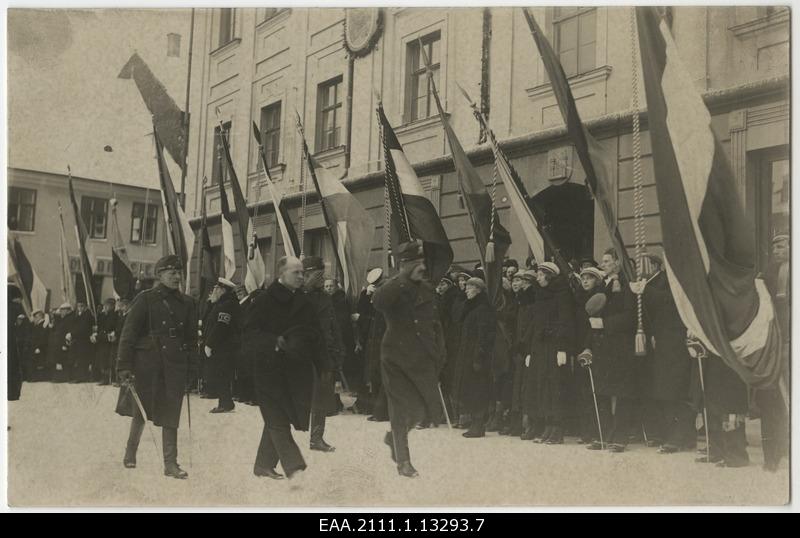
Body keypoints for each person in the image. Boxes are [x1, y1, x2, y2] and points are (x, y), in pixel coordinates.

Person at [115, 255, 198, 479]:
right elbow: (129, 334)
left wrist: (192, 369)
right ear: (159, 275)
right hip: (148, 365)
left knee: (171, 413)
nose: (176, 276)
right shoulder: (146, 299)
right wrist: (124, 366)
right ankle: (130, 452)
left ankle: (170, 464)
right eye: (171, 272)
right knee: (142, 411)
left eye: (179, 272)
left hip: (175, 365)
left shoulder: (188, 303)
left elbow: (191, 340)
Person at [372, 240, 446, 478]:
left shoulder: (427, 289)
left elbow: (434, 324)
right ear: (403, 264)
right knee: (400, 409)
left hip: (422, 357)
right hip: (396, 357)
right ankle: (403, 461)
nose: (421, 267)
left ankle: (393, 438)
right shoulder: (392, 287)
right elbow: (378, 302)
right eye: (415, 263)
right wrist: (401, 278)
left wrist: (438, 352)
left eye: (422, 262)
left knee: (420, 411)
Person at [250, 256, 321, 481]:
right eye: (296, 273)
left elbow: (315, 335)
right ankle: (295, 467)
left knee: (279, 416)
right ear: (281, 274)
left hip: (294, 371)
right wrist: (273, 341)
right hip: (267, 369)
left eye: (302, 273)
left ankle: (263, 465)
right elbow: (248, 333)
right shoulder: (263, 300)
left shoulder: (304, 302)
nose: (302, 276)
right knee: (277, 419)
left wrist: (325, 363)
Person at [636, 253, 695, 454]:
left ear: (655, 265)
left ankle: (679, 437)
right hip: (661, 342)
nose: (640, 268)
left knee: (676, 390)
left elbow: (672, 302)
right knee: (665, 391)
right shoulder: (652, 283)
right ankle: (678, 435)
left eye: (644, 264)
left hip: (675, 343)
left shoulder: (670, 281)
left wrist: (647, 291)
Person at [587, 248, 638, 453]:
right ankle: (603, 433)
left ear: (617, 263)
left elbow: (630, 316)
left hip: (620, 347)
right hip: (604, 347)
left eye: (607, 261)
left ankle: (620, 436)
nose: (603, 264)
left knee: (622, 392)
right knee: (602, 391)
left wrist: (605, 324)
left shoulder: (627, 286)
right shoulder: (603, 285)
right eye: (603, 261)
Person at [529, 262, 575, 444]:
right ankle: (548, 424)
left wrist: (562, 347)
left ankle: (557, 427)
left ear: (549, 276)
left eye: (540, 274)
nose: (538, 277)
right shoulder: (540, 295)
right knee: (543, 385)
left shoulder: (562, 295)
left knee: (556, 386)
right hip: (541, 347)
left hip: (555, 346)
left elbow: (566, 321)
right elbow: (536, 324)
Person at [303, 257, 343, 452]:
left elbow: (333, 326)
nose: (321, 278)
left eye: (322, 274)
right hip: (303, 355)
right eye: (317, 274)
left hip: (323, 355)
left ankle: (316, 438)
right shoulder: (298, 297)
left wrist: (338, 349)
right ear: (306, 275)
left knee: (321, 397)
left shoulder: (325, 298)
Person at [757, 233, 790, 471]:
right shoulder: (767, 275)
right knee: (770, 399)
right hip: (772, 345)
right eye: (776, 246)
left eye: (784, 245)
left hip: (790, 343)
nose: (779, 250)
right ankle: (772, 456)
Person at [453, 277, 496, 438]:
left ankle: (478, 424)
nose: (466, 290)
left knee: (478, 389)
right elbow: (456, 316)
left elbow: (485, 335)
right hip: (468, 355)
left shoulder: (483, 309)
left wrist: (479, 356)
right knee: (471, 389)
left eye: (469, 288)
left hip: (477, 357)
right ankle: (475, 423)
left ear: (478, 290)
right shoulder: (471, 307)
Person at [204, 277, 241, 413]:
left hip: (224, 347)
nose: (214, 291)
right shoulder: (224, 303)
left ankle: (225, 403)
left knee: (221, 374)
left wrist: (209, 344)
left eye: (216, 289)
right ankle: (226, 402)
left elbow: (221, 326)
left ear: (222, 290)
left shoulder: (226, 305)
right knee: (221, 374)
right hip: (223, 346)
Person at [67, 301, 95, 383]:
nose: (79, 308)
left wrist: (72, 334)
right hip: (80, 340)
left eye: (80, 306)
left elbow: (83, 328)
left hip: (84, 340)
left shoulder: (87, 315)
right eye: (78, 306)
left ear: (84, 306)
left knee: (83, 359)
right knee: (80, 359)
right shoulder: (81, 315)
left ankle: (82, 377)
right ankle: (80, 376)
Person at [94, 298, 118, 385]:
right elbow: (100, 326)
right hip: (102, 339)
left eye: (108, 305)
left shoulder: (114, 315)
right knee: (102, 359)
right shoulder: (102, 315)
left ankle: (110, 378)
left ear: (112, 306)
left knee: (109, 359)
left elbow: (113, 326)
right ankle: (104, 377)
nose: (106, 307)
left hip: (109, 340)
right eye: (106, 305)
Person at [8, 285, 25, 401]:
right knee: (13, 367)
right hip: (11, 341)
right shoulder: (16, 308)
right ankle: (13, 394)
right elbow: (21, 326)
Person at [27, 310, 49, 382]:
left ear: (40, 316)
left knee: (38, 363)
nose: (34, 319)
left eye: (35, 317)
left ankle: (36, 378)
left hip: (40, 348)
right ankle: (33, 377)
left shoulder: (43, 325)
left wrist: (39, 347)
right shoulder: (37, 325)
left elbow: (43, 337)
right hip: (36, 347)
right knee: (35, 362)